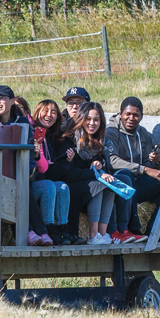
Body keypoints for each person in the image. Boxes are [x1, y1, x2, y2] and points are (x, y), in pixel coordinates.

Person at [106, 96, 160, 243]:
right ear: (120, 114)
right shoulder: (111, 132)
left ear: (141, 117)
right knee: (126, 175)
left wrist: (157, 162)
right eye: (128, 114)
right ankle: (133, 229)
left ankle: (157, 230)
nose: (131, 118)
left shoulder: (143, 134)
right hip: (119, 189)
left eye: (136, 115)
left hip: (138, 185)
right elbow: (112, 161)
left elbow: (150, 166)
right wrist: (145, 169)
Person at [0, 85, 51, 246]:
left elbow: (28, 151)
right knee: (17, 189)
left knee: (23, 187)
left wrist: (28, 174)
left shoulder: (22, 122)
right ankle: (35, 232)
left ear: (12, 101)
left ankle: (35, 232)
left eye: (1, 98)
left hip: (19, 173)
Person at [55, 102, 117, 245]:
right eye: (88, 119)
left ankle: (103, 233)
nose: (92, 123)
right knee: (99, 183)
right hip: (69, 188)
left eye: (96, 119)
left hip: (84, 186)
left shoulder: (94, 142)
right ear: (81, 118)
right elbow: (68, 174)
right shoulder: (68, 140)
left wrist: (98, 163)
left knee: (110, 185)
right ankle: (93, 235)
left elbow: (93, 163)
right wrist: (97, 174)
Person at [30, 99, 73, 245]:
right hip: (29, 186)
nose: (49, 115)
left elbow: (51, 172)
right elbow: (40, 171)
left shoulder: (50, 136)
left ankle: (62, 230)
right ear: (37, 112)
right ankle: (48, 230)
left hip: (43, 180)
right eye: (46, 111)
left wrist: (66, 161)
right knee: (48, 185)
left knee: (62, 187)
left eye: (54, 112)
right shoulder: (32, 132)